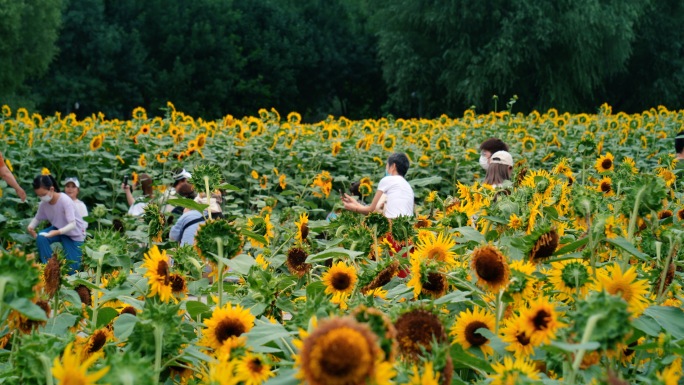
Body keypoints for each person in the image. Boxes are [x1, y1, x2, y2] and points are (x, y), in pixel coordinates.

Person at [27, 175, 87, 273]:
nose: (42, 198)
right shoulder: (44, 204)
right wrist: (30, 227)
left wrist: (57, 232)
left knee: (74, 271)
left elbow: (73, 224)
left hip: (74, 234)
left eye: (43, 194)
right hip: (59, 228)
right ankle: (50, 268)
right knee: (41, 237)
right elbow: (37, 218)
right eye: (39, 196)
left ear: (51, 189)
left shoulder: (65, 200)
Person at [342, 153, 414, 218]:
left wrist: (354, 208)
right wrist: (356, 203)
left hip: (392, 226)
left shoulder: (388, 180)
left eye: (387, 166)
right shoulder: (408, 187)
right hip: (406, 228)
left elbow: (371, 210)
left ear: (393, 166)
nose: (386, 169)